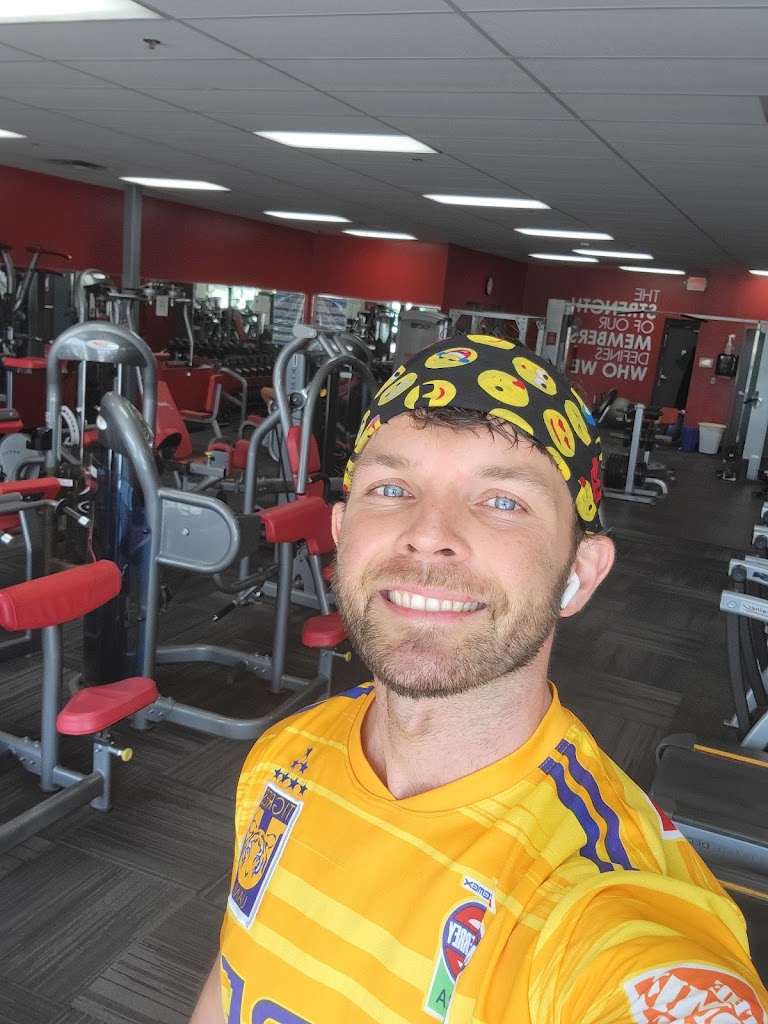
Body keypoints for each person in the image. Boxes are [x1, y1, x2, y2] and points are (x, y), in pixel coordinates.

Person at [191, 334, 768, 1024]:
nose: (429, 533)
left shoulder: (600, 895)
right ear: (342, 532)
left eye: (502, 501)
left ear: (580, 573)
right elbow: (231, 979)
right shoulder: (283, 756)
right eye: (392, 489)